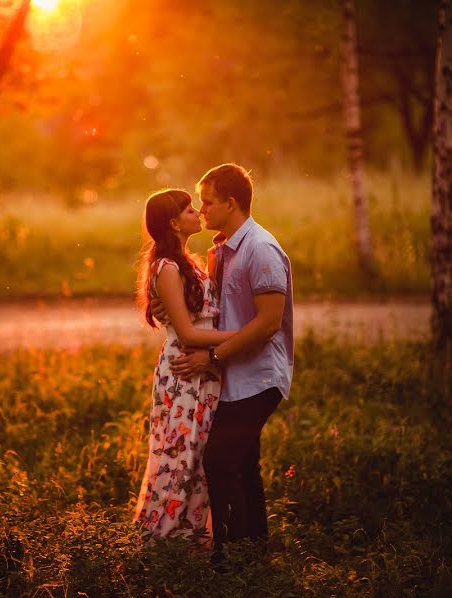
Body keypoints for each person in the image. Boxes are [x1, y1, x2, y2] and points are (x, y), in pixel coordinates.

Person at [159, 163, 294, 557]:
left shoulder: (261, 249)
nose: (202, 211)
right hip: (232, 375)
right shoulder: (222, 250)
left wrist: (212, 356)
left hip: (258, 377)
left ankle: (230, 557)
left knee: (218, 461)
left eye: (208, 202)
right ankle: (255, 551)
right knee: (243, 463)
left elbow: (268, 323)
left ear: (231, 203)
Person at [133, 188, 238, 542]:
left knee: (198, 459)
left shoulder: (187, 262)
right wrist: (245, 336)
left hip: (202, 372)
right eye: (190, 210)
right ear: (175, 223)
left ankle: (193, 540)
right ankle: (163, 540)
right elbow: (189, 333)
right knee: (179, 458)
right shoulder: (165, 267)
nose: (198, 214)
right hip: (184, 373)